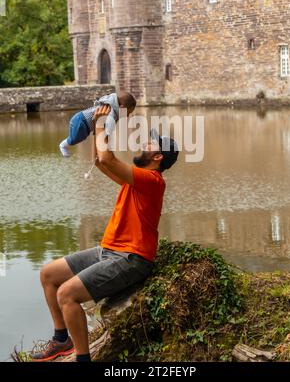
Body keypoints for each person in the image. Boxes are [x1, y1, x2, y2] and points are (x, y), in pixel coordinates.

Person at [30, 105, 179, 362]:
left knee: (67, 294)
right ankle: (61, 340)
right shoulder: (137, 180)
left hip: (130, 259)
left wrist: (100, 123)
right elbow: (101, 162)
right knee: (48, 274)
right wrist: (92, 127)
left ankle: (83, 358)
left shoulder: (152, 181)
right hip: (108, 251)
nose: (144, 143)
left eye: (150, 143)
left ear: (158, 158)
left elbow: (108, 158)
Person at [59, 91, 136, 157]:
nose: (127, 116)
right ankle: (63, 145)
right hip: (81, 122)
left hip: (81, 121)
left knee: (80, 137)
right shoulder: (111, 111)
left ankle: (65, 145)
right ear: (122, 108)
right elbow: (108, 128)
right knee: (75, 138)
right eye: (128, 113)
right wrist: (107, 140)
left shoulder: (110, 104)